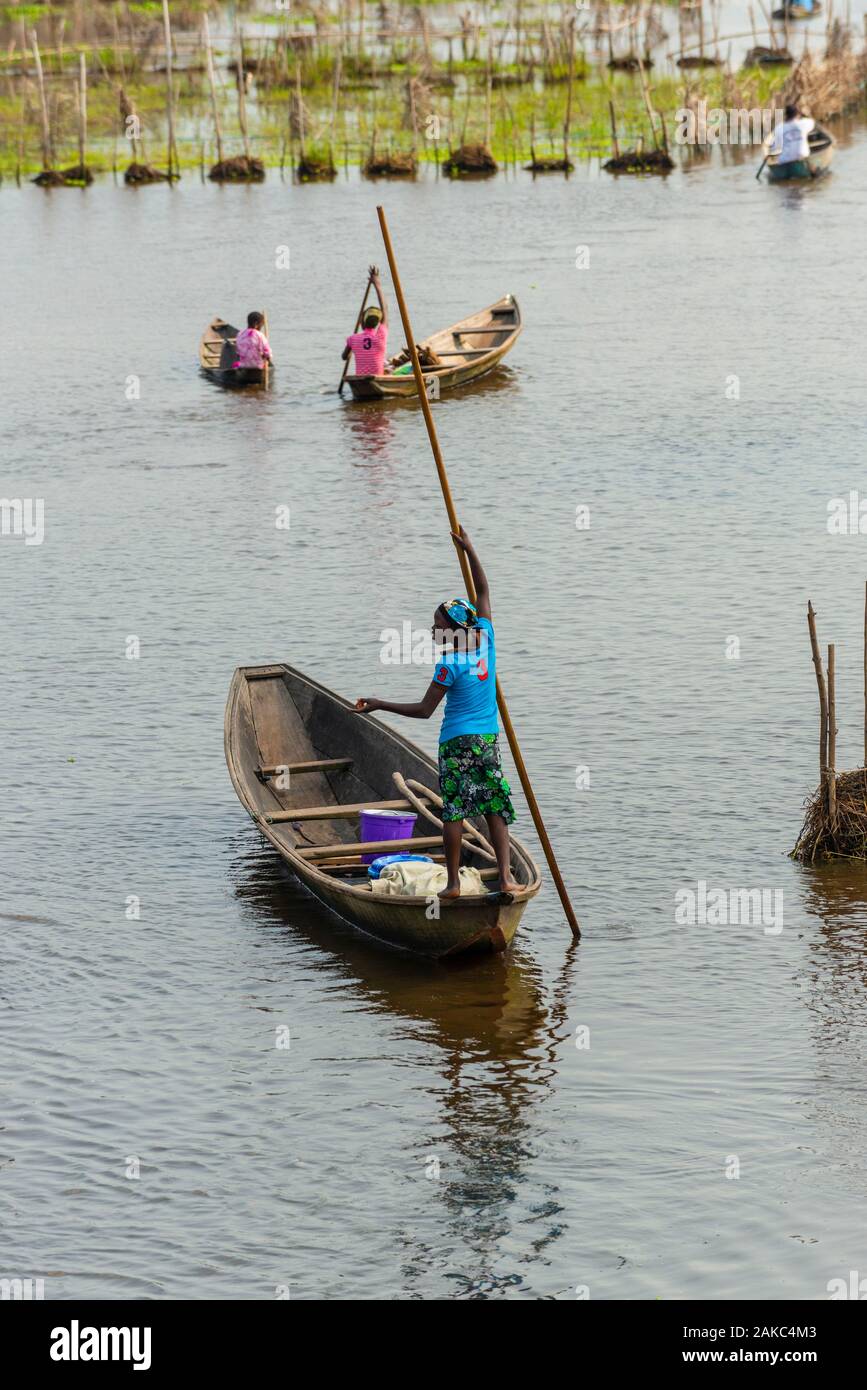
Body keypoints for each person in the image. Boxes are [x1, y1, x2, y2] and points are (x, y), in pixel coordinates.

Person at [355, 527, 518, 901]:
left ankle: (454, 885)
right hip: (487, 742)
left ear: (455, 630)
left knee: (455, 810)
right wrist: (471, 549)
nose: (432, 631)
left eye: (438, 627)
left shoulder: (449, 663)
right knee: (494, 803)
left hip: (456, 743)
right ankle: (506, 879)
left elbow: (425, 711)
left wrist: (379, 704)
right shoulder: (486, 638)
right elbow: (484, 592)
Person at [342, 265, 389, 376]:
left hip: (360, 378)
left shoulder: (353, 339)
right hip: (378, 376)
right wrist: (377, 284)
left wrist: (350, 352)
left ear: (362, 322)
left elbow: (344, 357)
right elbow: (385, 309)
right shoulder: (381, 336)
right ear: (378, 323)